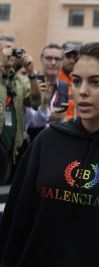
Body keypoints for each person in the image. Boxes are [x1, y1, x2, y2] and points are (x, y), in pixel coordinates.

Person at [0, 42, 99, 267]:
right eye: (77, 81)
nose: (83, 90)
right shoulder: (46, 143)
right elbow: (16, 221)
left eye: (95, 82)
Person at [0, 35, 41, 185]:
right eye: (6, 48)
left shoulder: (19, 81)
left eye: (13, 49)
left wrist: (31, 73)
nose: (11, 53)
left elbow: (36, 101)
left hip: (10, 151)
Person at [27, 43, 70, 140]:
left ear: (62, 61)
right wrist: (48, 118)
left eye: (57, 59)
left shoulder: (64, 86)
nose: (53, 62)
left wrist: (61, 117)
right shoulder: (30, 83)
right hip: (33, 142)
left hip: (56, 141)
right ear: (41, 59)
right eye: (49, 58)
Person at [58, 42, 80, 120]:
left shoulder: (78, 81)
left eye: (74, 58)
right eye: (68, 56)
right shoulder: (54, 81)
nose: (72, 61)